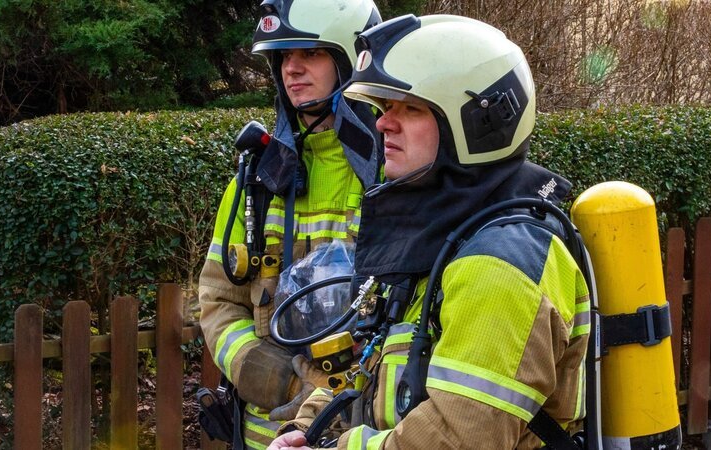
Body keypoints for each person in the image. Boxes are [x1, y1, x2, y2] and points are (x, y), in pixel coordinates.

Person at [267, 14, 590, 450]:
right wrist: (308, 428)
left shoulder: (499, 264)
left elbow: (459, 438)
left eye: (410, 108)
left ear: (476, 124)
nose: (382, 124)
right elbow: (373, 370)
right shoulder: (437, 236)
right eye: (383, 108)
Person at [198, 0, 382, 448]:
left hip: (367, 433)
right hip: (267, 438)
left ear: (350, 60)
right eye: (283, 57)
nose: (291, 69)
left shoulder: (396, 173)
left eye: (310, 54)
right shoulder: (256, 182)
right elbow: (217, 302)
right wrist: (279, 380)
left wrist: (328, 394)